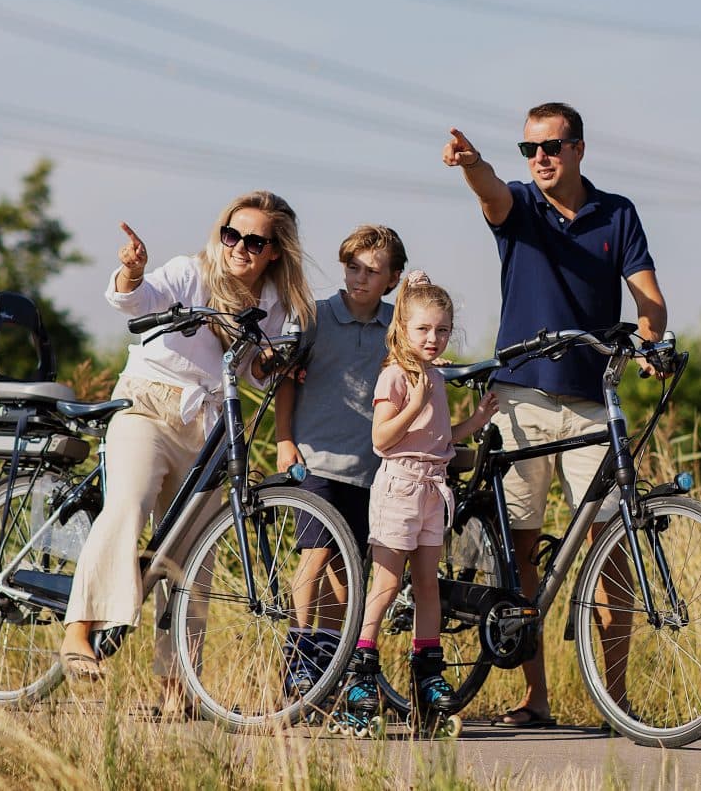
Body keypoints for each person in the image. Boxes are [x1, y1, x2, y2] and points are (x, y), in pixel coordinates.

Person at [441, 103, 669, 729]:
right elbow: (490, 191)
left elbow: (649, 298)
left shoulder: (616, 213)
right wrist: (473, 164)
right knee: (520, 551)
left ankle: (615, 702)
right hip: (521, 398)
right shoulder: (518, 205)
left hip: (594, 399)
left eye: (551, 146)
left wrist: (649, 340)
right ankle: (535, 698)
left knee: (611, 545)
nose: (539, 157)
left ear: (579, 149)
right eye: (529, 149)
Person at [56, 191, 316, 703]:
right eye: (231, 234)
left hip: (208, 425)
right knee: (127, 505)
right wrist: (131, 272)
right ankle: (77, 633)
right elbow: (136, 300)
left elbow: (256, 373)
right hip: (148, 406)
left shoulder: (275, 305)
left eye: (254, 240)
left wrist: (272, 365)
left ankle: (176, 684)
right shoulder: (189, 274)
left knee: (195, 555)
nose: (239, 247)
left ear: (274, 251)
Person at [333, 272, 501, 731]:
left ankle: (427, 670)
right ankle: (361, 671)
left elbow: (441, 439)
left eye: (442, 330)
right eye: (424, 329)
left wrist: (475, 421)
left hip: (433, 490)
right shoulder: (396, 377)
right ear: (403, 329)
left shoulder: (434, 378)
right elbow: (382, 439)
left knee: (428, 585)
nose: (433, 338)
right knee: (386, 585)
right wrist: (415, 401)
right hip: (400, 488)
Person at [273, 225, 406, 696]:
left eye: (373, 272)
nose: (360, 278)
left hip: (371, 469)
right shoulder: (316, 316)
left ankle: (330, 665)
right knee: (315, 557)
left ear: (391, 279)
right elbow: (287, 378)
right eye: (353, 267)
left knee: (347, 573)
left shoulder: (398, 326)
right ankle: (298, 654)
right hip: (317, 462)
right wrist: (284, 439)